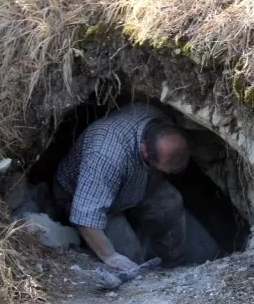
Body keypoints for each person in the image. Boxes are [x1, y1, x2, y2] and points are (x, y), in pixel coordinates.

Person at [52, 102, 190, 271]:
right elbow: (84, 216)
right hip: (91, 198)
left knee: (170, 203)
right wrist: (110, 256)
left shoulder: (158, 119)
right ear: (145, 149)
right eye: (158, 168)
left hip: (136, 179)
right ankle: (147, 274)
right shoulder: (105, 154)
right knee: (131, 259)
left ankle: (174, 262)